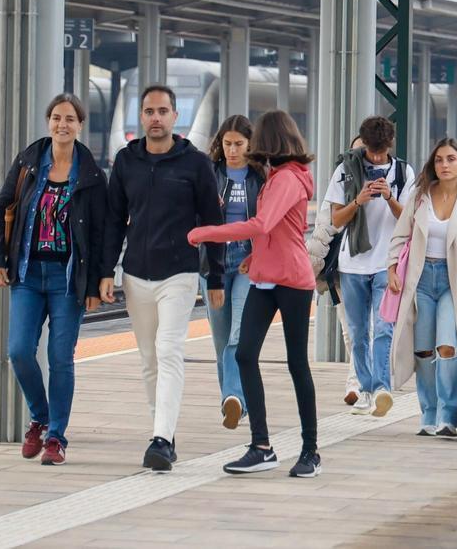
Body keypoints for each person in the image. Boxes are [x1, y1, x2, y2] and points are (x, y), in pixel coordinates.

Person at [188, 110, 322, 478]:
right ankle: (261, 446)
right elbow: (276, 231)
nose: (252, 148)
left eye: (258, 140)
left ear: (271, 142)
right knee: (245, 355)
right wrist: (252, 255)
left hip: (293, 280)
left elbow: (262, 224)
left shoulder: (289, 179)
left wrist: (205, 234)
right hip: (264, 276)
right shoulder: (276, 176)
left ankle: (311, 450)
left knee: (297, 365)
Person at [101, 84, 225, 472]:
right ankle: (164, 434)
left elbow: (213, 223)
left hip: (181, 273)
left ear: (175, 117)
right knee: (148, 358)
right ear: (141, 117)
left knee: (169, 350)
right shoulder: (126, 162)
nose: (156, 118)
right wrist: (106, 271)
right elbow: (112, 222)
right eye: (149, 111)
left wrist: (216, 276)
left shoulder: (195, 164)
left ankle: (159, 438)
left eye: (163, 111)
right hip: (136, 274)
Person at [0, 93, 107, 466]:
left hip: (67, 278)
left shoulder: (90, 175)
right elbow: (0, 209)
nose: (62, 125)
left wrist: (95, 285)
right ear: (48, 122)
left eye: (70, 119)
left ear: (80, 126)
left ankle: (56, 437)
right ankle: (39, 416)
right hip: (26, 272)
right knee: (19, 350)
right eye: (57, 118)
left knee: (60, 358)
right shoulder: (28, 162)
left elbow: (102, 234)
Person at [385, 138, 457, 437]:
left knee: (447, 347)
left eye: (451, 159)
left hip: (452, 281)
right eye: (439, 160)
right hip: (419, 280)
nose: (444, 165)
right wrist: (392, 268)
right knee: (423, 351)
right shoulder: (419, 197)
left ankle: (448, 414)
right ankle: (428, 414)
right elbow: (399, 236)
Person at [321, 116, 415, 418]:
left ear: (389, 146)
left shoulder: (403, 172)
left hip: (386, 264)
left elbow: (409, 219)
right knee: (358, 332)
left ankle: (381, 388)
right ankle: (364, 388)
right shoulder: (345, 171)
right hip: (352, 265)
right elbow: (335, 220)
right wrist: (358, 200)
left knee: (384, 328)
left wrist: (389, 197)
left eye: (380, 151)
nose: (375, 157)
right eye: (371, 151)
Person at [201, 115, 263, 430]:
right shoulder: (210, 174)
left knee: (238, 333)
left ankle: (233, 398)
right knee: (221, 337)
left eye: (239, 144)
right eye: (227, 143)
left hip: (246, 261)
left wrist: (258, 254)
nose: (232, 150)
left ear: (250, 144)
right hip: (213, 261)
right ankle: (233, 400)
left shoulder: (259, 176)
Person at [308, 135, 367, 406]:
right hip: (342, 269)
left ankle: (358, 382)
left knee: (371, 328)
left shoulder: (387, 181)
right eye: (354, 152)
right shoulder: (339, 182)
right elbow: (323, 229)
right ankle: (357, 381)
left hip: (373, 267)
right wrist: (312, 269)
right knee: (350, 330)